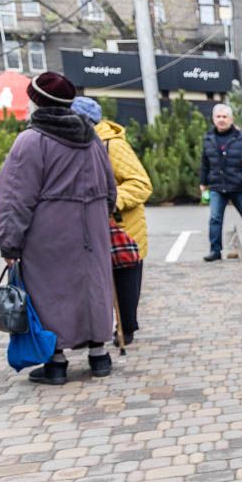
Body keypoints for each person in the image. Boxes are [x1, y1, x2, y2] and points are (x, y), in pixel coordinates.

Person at [0, 73, 117, 385]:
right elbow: (110, 189)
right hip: (92, 227)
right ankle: (99, 355)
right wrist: (97, 218)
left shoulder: (32, 140)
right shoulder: (90, 137)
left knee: (50, 290)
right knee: (93, 285)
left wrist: (10, 243)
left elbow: (15, 197)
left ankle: (56, 361)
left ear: (36, 102)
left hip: (47, 231)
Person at [72, 97, 151, 346]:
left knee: (126, 282)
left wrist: (112, 201)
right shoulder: (74, 144)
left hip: (122, 229)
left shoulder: (111, 145)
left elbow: (141, 184)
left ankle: (126, 328)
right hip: (88, 226)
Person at [200, 103, 242, 261]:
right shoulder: (208, 138)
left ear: (231, 119)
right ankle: (215, 250)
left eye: (224, 117)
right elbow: (204, 162)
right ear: (213, 118)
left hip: (238, 187)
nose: (221, 120)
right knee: (215, 218)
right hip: (217, 185)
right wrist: (203, 182)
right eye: (218, 117)